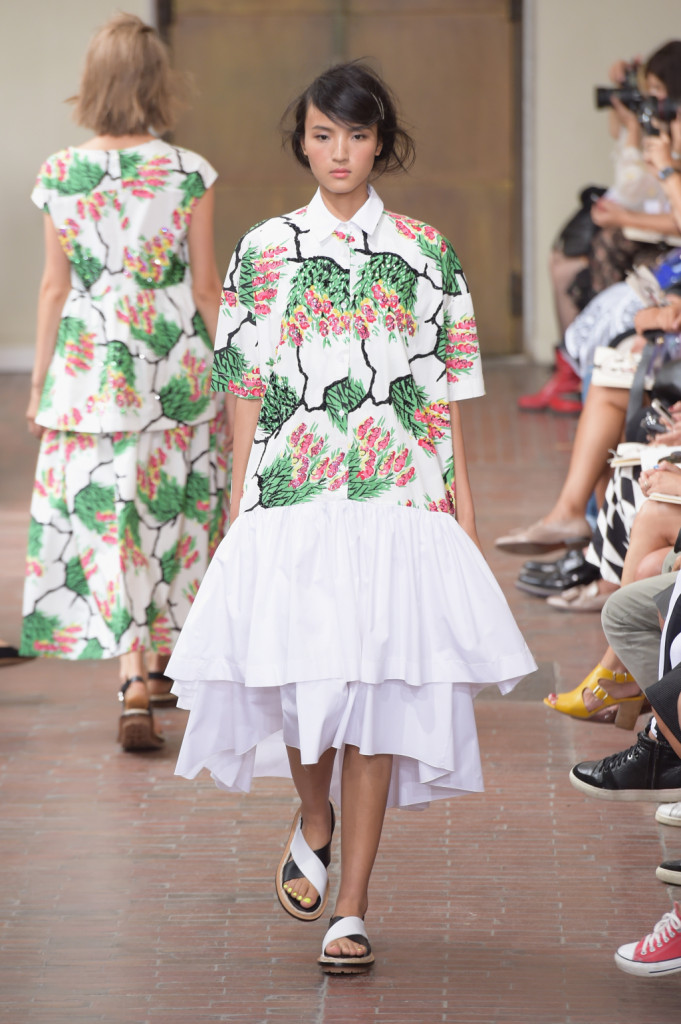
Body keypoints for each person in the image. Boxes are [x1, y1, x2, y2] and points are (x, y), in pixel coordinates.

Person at [166, 61, 536, 974]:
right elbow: (242, 382)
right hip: (290, 493)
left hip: (396, 494)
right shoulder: (263, 249)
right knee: (303, 683)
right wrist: (240, 498)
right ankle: (314, 814)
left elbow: (444, 391)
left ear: (381, 144)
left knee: (374, 694)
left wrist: (460, 505)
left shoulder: (426, 251)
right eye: (323, 135)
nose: (339, 152)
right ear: (301, 142)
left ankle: (354, 906)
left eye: (357, 135)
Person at [20, 14, 231, 751]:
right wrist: (238, 373)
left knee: (110, 511)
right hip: (172, 357)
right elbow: (205, 286)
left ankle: (133, 676)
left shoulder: (60, 173)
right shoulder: (188, 171)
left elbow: (54, 287)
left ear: (93, 83)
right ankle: (167, 658)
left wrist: (40, 385)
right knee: (173, 503)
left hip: (91, 364)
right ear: (157, 82)